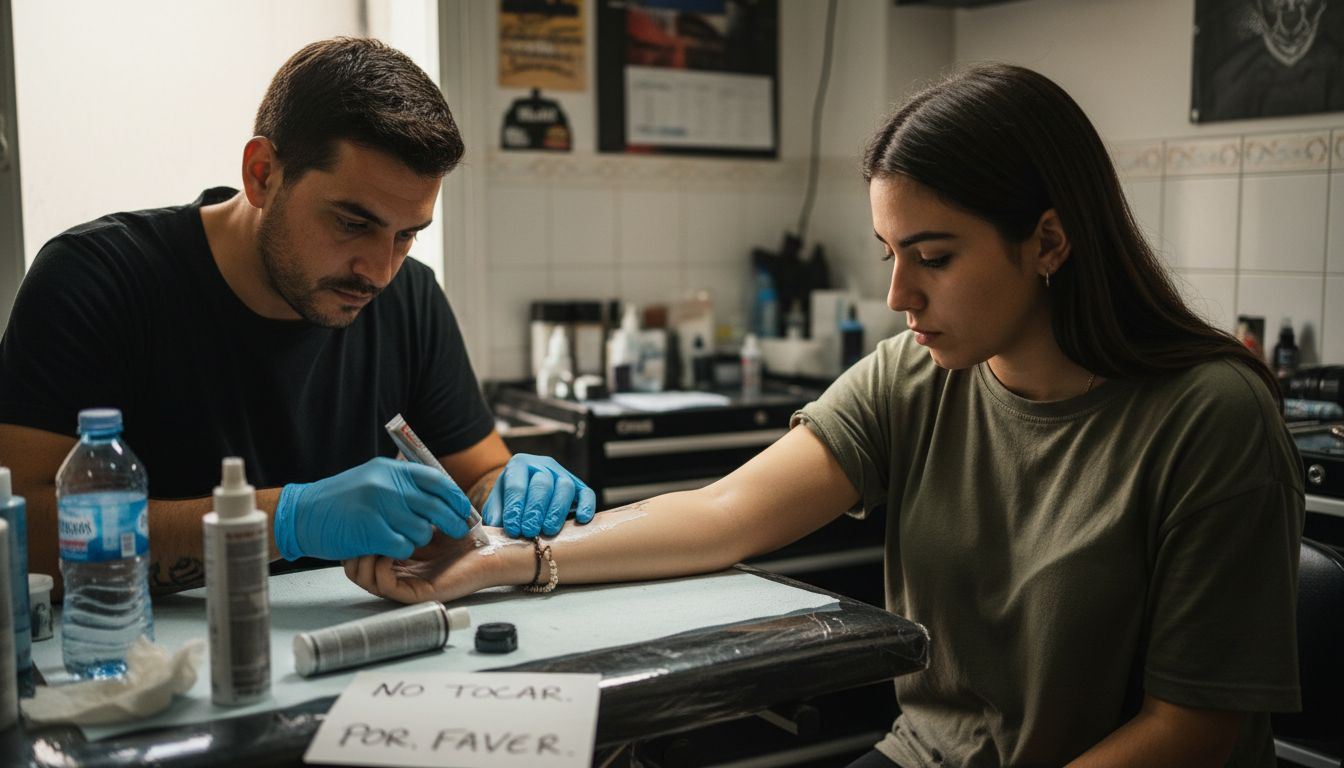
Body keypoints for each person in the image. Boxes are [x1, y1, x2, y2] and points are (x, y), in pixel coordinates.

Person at [346, 63, 1304, 767]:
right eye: (889, 252)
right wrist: (502, 560)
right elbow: (728, 513)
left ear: (1047, 240)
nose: (899, 296)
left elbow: (1195, 729)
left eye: (933, 256)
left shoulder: (1207, 418)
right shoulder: (915, 376)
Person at [0, 37, 596, 595]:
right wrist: (283, 519)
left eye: (407, 234)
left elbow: (479, 471)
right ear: (262, 174)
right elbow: (22, 533)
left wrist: (510, 487)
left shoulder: (409, 296)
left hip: (359, 651)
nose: (378, 271)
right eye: (352, 223)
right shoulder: (97, 279)